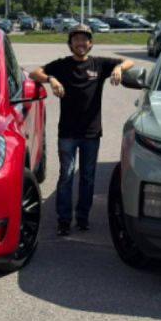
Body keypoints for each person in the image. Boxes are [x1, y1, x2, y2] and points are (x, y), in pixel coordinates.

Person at [29, 24, 134, 236]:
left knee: (88, 177)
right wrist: (51, 79)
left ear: (90, 43)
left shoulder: (99, 64)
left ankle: (83, 218)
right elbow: (34, 73)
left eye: (84, 39)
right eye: (76, 39)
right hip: (67, 133)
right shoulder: (62, 65)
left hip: (91, 134)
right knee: (66, 176)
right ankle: (64, 221)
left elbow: (128, 61)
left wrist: (118, 68)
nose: (80, 43)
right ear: (70, 44)